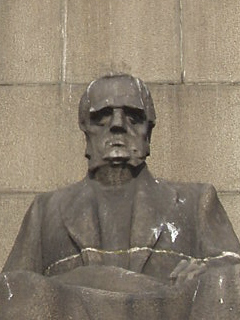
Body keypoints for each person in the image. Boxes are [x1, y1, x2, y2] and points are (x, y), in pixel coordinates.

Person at [1, 74, 240, 319]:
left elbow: (232, 273)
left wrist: (204, 272)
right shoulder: (46, 210)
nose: (117, 124)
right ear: (86, 129)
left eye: (133, 116)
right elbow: (12, 289)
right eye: (102, 116)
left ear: (149, 130)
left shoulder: (195, 201)